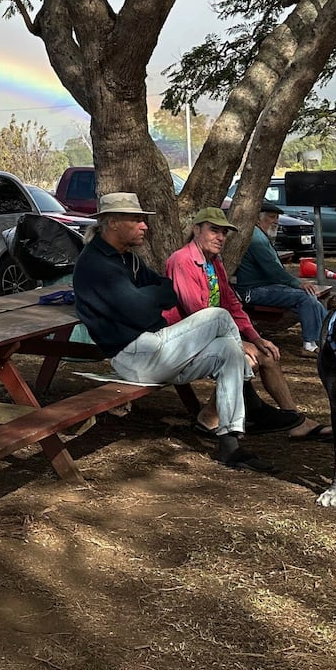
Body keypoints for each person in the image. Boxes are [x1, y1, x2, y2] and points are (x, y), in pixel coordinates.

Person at [72, 192, 275, 474]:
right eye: (137, 220)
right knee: (218, 316)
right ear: (113, 222)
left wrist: (149, 296)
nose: (145, 226)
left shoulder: (125, 258)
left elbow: (165, 289)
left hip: (156, 348)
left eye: (144, 220)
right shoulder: (96, 265)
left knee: (228, 351)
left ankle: (230, 445)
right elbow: (145, 312)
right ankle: (250, 399)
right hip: (134, 356)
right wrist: (151, 297)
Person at [163, 208, 331, 441]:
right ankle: (210, 418)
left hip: (211, 334)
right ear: (196, 230)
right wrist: (238, 343)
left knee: (266, 354)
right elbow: (199, 315)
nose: (220, 237)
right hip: (184, 340)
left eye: (224, 232)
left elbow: (231, 303)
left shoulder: (214, 261)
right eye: (214, 230)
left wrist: (255, 337)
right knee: (247, 361)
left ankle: (295, 421)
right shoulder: (182, 260)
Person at [234, 202, 330, 356]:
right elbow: (273, 270)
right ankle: (309, 345)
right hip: (253, 291)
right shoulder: (255, 238)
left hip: (268, 287)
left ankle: (328, 337)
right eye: (271, 217)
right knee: (305, 297)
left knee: (311, 298)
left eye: (277, 217)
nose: (276, 221)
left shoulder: (261, 235)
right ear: (258, 220)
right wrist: (297, 284)